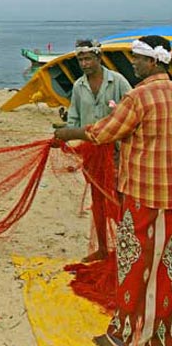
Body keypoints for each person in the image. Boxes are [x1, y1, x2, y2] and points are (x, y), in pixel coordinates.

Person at [54, 35, 172, 345]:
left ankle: (122, 335)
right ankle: (160, 335)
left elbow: (102, 131)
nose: (133, 63)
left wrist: (68, 133)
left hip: (142, 197)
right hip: (170, 199)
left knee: (133, 264)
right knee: (164, 267)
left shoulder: (137, 97)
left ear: (154, 62)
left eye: (138, 58)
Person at [67, 39, 132, 263]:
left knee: (118, 198)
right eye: (80, 60)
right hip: (91, 152)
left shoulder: (118, 82)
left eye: (88, 58)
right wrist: (72, 143)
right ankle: (103, 247)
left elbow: (131, 111)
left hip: (115, 153)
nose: (84, 64)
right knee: (98, 200)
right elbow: (73, 118)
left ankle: (127, 245)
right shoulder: (78, 86)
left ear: (98, 57)